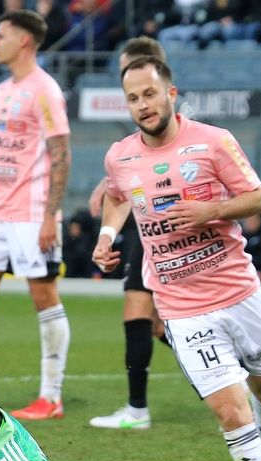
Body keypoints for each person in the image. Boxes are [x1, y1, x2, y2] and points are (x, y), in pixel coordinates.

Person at [93, 56, 261, 461]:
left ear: (170, 94)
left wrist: (211, 209)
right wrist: (108, 234)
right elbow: (115, 195)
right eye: (132, 98)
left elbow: (256, 199)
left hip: (237, 291)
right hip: (179, 304)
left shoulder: (213, 141)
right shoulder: (120, 156)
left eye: (149, 94)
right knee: (231, 413)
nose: (142, 105)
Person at [0, 10, 73, 421]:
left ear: (23, 40)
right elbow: (2, 154)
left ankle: (50, 397)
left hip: (31, 211)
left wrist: (50, 216)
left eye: (0, 36)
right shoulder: (3, 89)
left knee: (44, 297)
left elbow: (62, 155)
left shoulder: (46, 91)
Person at [87, 36, 190, 430]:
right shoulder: (132, 142)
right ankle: (226, 378)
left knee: (144, 315)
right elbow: (134, 168)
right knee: (153, 322)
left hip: (165, 229)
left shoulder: (179, 126)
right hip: (143, 228)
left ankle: (138, 409)